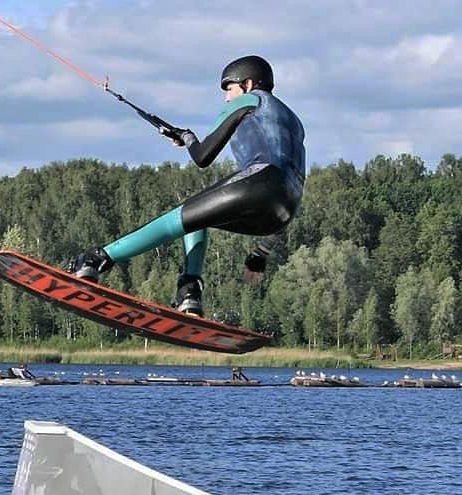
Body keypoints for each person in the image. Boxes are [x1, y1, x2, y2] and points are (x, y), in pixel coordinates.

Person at [67, 55, 306, 317]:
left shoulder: (250, 100)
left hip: (258, 182)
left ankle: (96, 259)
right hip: (282, 212)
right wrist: (260, 254)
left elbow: (203, 156)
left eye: (229, 89)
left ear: (248, 84)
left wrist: (188, 137)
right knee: (199, 219)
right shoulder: (294, 122)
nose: (227, 98)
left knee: (177, 219)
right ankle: (189, 294)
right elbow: (287, 187)